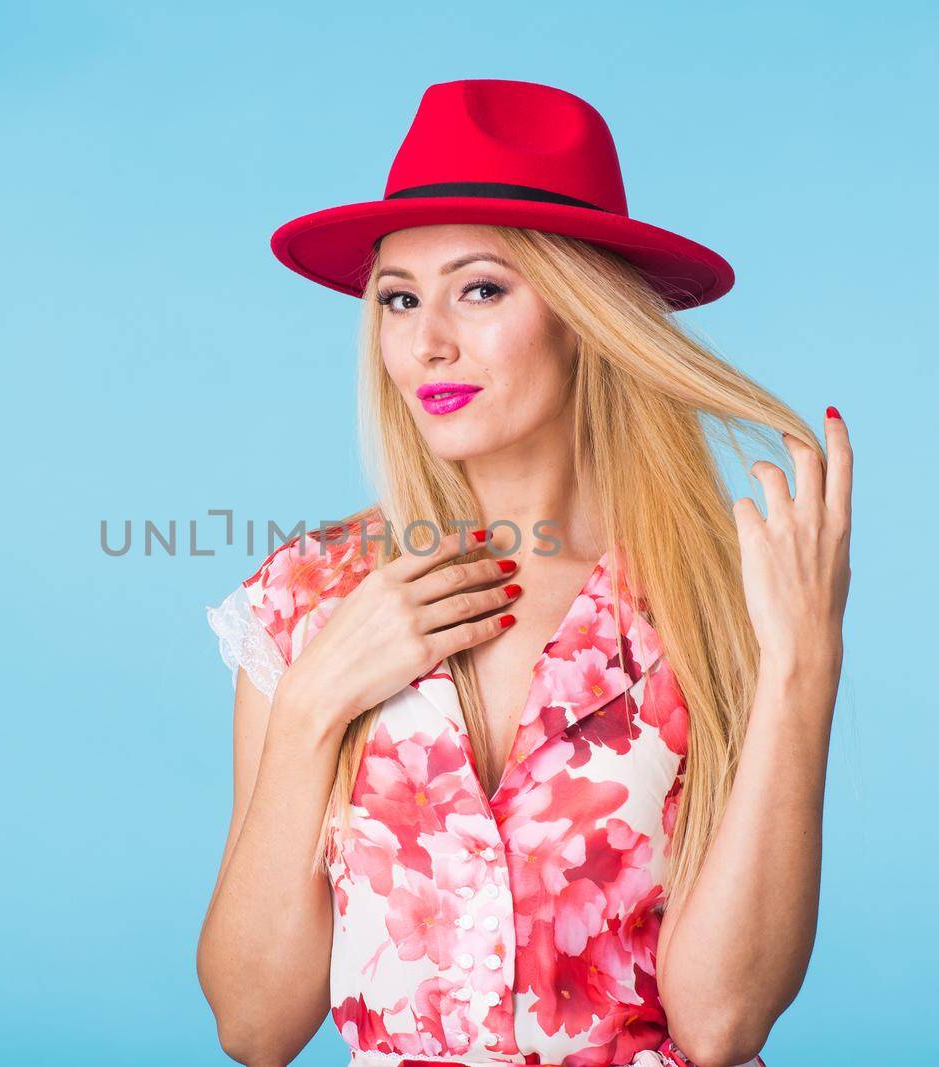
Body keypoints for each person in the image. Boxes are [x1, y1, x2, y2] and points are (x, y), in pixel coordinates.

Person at [197, 79, 852, 1067]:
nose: (429, 342)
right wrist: (310, 709)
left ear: (587, 314)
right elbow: (252, 1026)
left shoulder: (717, 595)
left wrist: (802, 663)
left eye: (481, 287)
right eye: (400, 298)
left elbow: (723, 1022)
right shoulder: (307, 598)